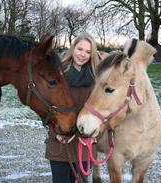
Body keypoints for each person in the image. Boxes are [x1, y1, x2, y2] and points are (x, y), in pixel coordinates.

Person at [45, 32, 100, 183]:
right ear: (73, 48)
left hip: (84, 142)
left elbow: (100, 112)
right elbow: (47, 107)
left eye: (88, 52)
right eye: (80, 49)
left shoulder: (96, 78)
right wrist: (55, 131)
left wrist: (94, 133)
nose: (83, 55)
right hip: (60, 141)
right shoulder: (56, 73)